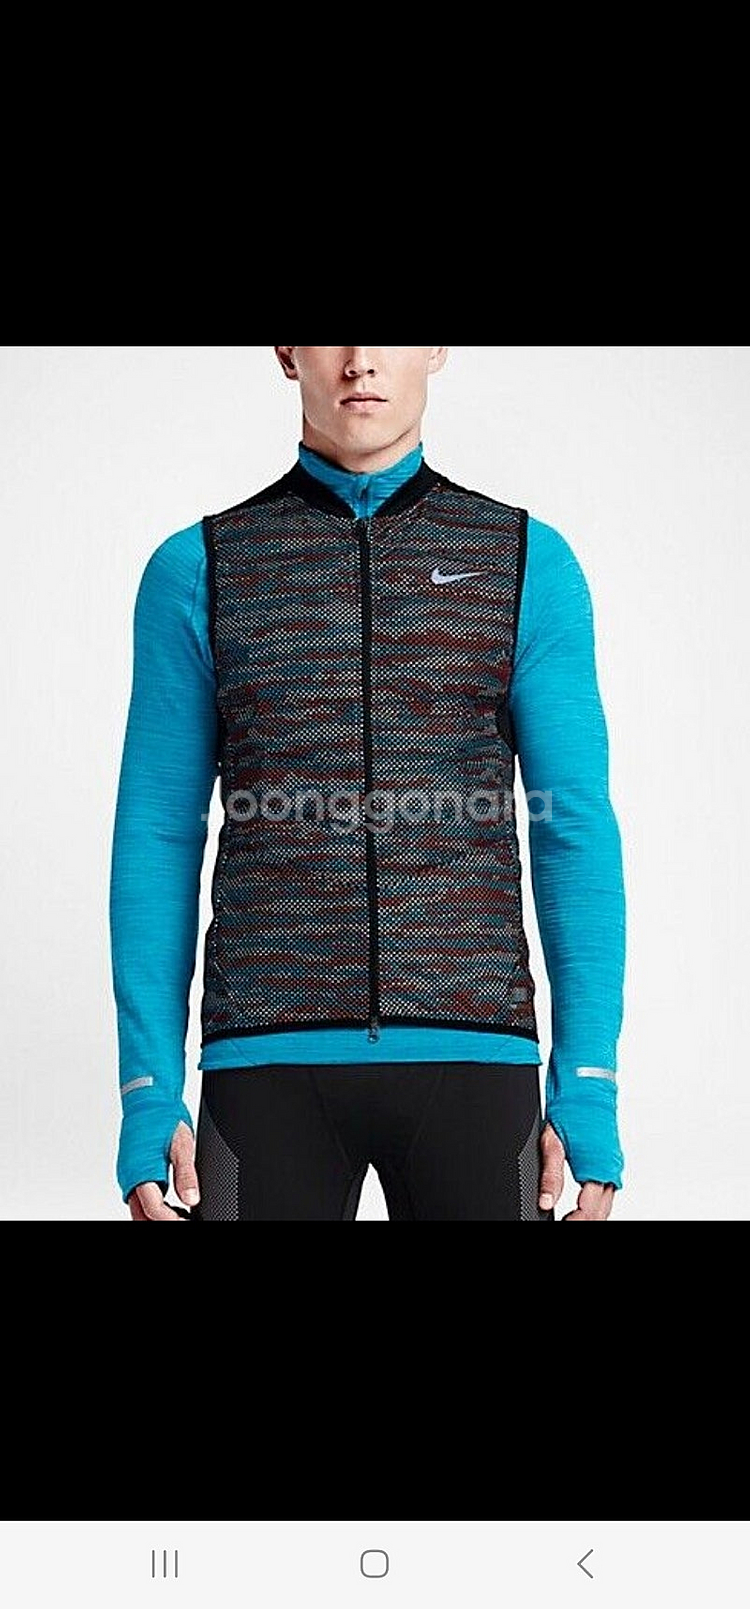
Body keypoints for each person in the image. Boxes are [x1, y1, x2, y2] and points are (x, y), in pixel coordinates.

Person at [109, 346, 626, 1222]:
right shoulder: (199, 568)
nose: (359, 362)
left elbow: (572, 825)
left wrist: (588, 1082)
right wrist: (147, 1090)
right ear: (286, 353)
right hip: (265, 1067)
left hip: (476, 1058)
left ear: (436, 349)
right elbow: (157, 830)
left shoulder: (525, 561)